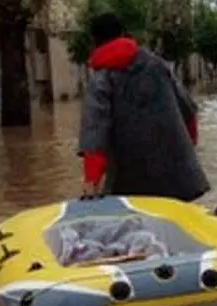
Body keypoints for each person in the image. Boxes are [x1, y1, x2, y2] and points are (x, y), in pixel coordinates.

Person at [77, 13, 210, 202]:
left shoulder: (100, 81)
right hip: (181, 179)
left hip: (132, 187)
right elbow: (189, 111)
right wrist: (188, 151)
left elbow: (94, 138)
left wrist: (90, 185)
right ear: (124, 33)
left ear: (94, 41)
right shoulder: (157, 64)